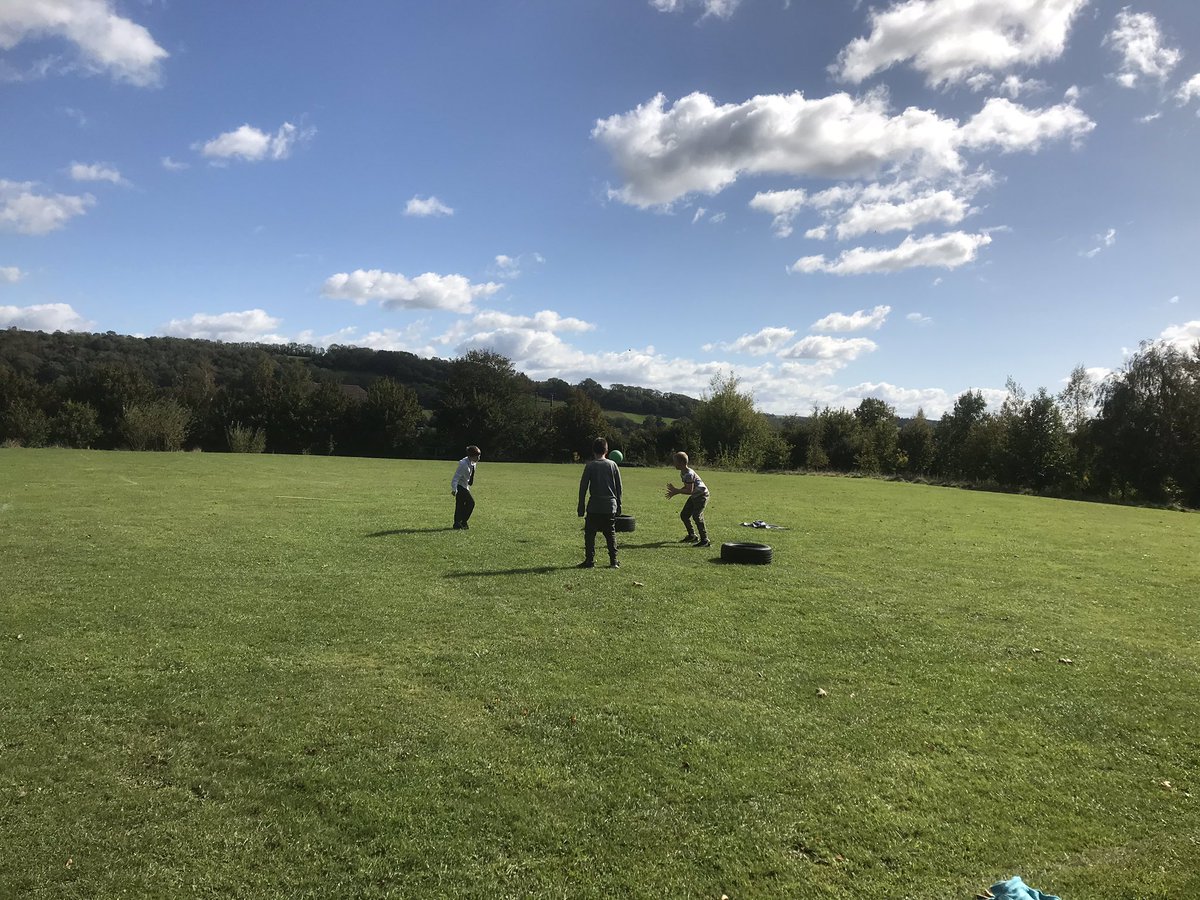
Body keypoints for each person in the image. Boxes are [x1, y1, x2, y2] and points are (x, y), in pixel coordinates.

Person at [577, 437, 623, 568]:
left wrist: (581, 505)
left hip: (594, 506)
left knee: (590, 534)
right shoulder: (613, 465)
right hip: (610, 505)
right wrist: (619, 504)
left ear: (593, 451)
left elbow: (583, 487)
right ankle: (613, 561)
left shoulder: (590, 466)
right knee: (610, 533)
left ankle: (589, 560)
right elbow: (619, 487)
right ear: (606, 450)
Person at [665, 450, 710, 547]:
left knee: (696, 516)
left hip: (701, 495)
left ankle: (705, 540)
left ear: (681, 463)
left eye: (675, 462)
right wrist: (675, 492)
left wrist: (677, 490)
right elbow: (687, 488)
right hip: (695, 495)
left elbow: (689, 490)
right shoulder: (683, 473)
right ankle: (692, 535)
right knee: (684, 515)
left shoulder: (689, 474)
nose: (674, 464)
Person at [450, 445, 482, 529]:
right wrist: (454, 489)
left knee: (460, 505)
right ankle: (462, 521)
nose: (478, 458)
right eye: (477, 456)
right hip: (460, 486)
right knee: (471, 503)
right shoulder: (463, 464)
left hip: (465, 486)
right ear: (471, 456)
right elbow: (456, 478)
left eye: (479, 456)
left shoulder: (473, 463)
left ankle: (458, 523)